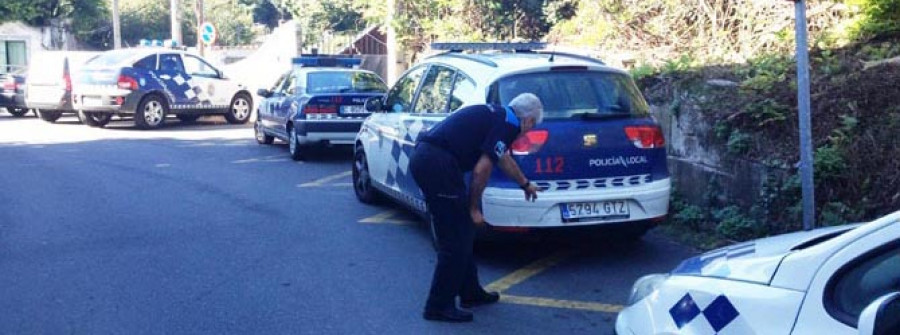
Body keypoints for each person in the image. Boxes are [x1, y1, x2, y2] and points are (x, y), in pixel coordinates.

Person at [409, 93, 544, 322]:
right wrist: (474, 208)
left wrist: (525, 184)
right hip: (436, 164)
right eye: (530, 129)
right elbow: (482, 170)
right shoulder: (508, 125)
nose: (526, 133)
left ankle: (470, 292)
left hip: (431, 160)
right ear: (528, 121)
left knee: (463, 232)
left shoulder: (500, 116)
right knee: (454, 239)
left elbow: (503, 159)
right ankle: (438, 306)